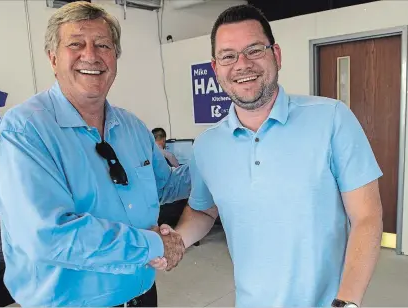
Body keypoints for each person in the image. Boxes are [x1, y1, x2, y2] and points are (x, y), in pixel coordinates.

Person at [156, 4, 383, 308]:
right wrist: (176, 241)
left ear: (276, 55)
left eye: (254, 50)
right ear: (215, 69)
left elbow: (366, 216)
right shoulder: (207, 146)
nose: (242, 64)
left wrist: (348, 302)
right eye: (228, 55)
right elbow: (203, 211)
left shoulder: (332, 119)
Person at [0, 2, 188, 307]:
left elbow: (167, 186)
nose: (91, 55)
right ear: (53, 58)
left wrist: (218, 152)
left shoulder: (133, 127)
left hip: (143, 295)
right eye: (76, 44)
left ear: (115, 57)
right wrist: (153, 245)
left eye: (103, 45)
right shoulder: (24, 130)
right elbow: (49, 236)